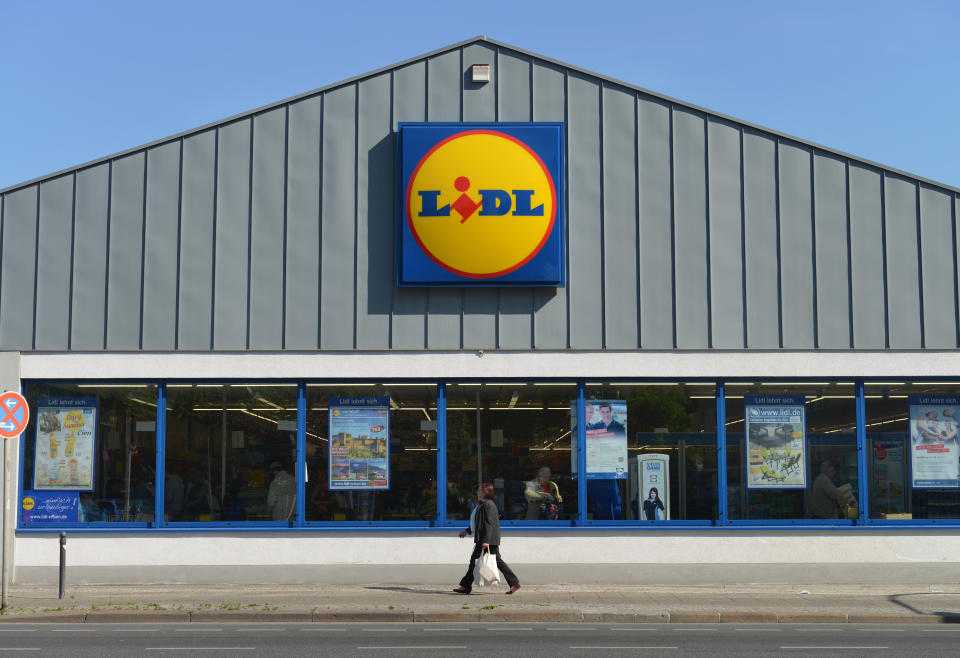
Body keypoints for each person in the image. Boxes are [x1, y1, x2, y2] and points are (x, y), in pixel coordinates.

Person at [454, 483, 521, 595]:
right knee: (476, 561)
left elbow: (488, 524)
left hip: (487, 539)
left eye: (479, 490)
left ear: (485, 492)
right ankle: (466, 586)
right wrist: (467, 531)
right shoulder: (481, 504)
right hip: (484, 538)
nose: (477, 492)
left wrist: (486, 541)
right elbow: (478, 523)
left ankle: (514, 582)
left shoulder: (488, 505)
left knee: (484, 561)